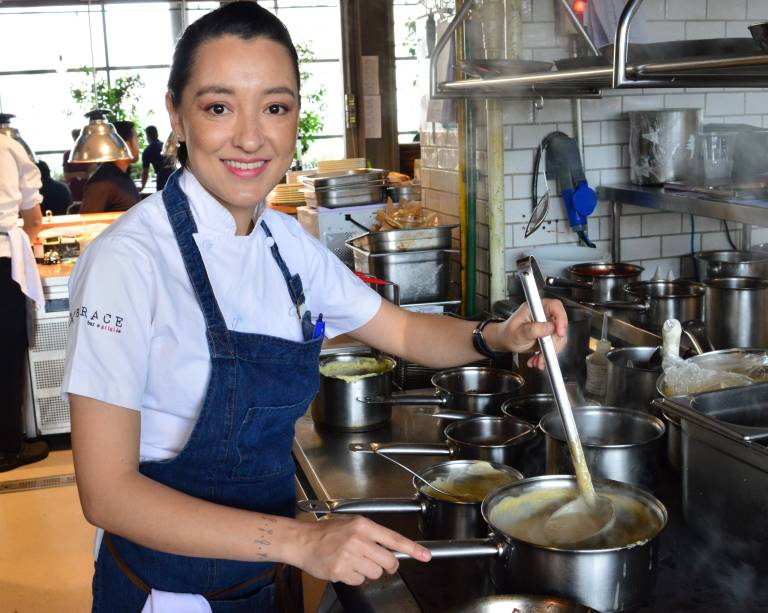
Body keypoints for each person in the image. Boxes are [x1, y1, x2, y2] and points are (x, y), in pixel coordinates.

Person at [62, 3, 567, 612]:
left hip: (261, 581)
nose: (251, 137)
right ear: (176, 115)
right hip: (167, 594)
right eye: (218, 107)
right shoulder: (129, 263)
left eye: (275, 108)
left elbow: (402, 331)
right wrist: (302, 541)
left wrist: (499, 335)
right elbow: (107, 493)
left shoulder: (285, 245)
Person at [0, 132, 49, 472]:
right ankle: (6, 449)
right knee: (5, 354)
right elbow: (33, 219)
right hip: (2, 262)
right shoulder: (7, 146)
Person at [79, 121, 141, 214]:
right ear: (126, 145)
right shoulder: (102, 183)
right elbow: (88, 224)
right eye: (137, 141)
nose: (138, 148)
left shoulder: (124, 174)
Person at [62, 128, 91, 202]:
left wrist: (74, 174)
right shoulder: (68, 154)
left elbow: (91, 175)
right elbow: (66, 176)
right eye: (75, 137)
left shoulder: (90, 154)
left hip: (89, 190)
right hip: (73, 192)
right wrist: (79, 173)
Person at [141, 125, 171, 192]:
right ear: (157, 134)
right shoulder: (166, 145)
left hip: (162, 179)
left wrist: (142, 187)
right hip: (174, 175)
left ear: (147, 136)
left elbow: (145, 172)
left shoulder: (147, 151)